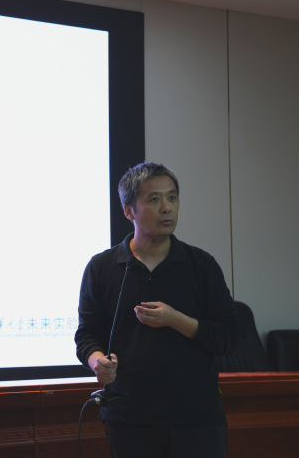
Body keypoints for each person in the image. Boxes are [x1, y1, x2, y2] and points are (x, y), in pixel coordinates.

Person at [75, 161, 240, 458]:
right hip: (128, 417)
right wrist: (97, 361)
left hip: (196, 418)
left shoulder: (201, 265)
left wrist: (175, 320)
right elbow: (87, 335)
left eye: (172, 198)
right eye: (154, 199)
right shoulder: (102, 267)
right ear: (129, 211)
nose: (167, 208)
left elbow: (229, 336)